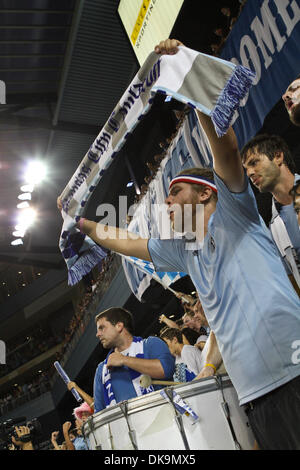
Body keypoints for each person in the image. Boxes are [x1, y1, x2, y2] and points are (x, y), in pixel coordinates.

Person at [78, 39, 300, 449]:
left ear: (204, 194)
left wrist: (187, 79)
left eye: (174, 190)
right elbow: (130, 242)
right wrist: (85, 225)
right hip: (252, 396)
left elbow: (225, 145)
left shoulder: (235, 210)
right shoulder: (183, 251)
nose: (165, 200)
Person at [241, 134, 300, 288]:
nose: (249, 173)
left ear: (278, 156)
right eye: (246, 169)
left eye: (254, 163)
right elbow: (292, 279)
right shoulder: (274, 227)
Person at [93, 307, 175, 413]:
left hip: (166, 419)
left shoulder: (151, 344)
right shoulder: (102, 369)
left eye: (102, 328)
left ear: (119, 326)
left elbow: (166, 369)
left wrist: (124, 360)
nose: (98, 334)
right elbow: (99, 412)